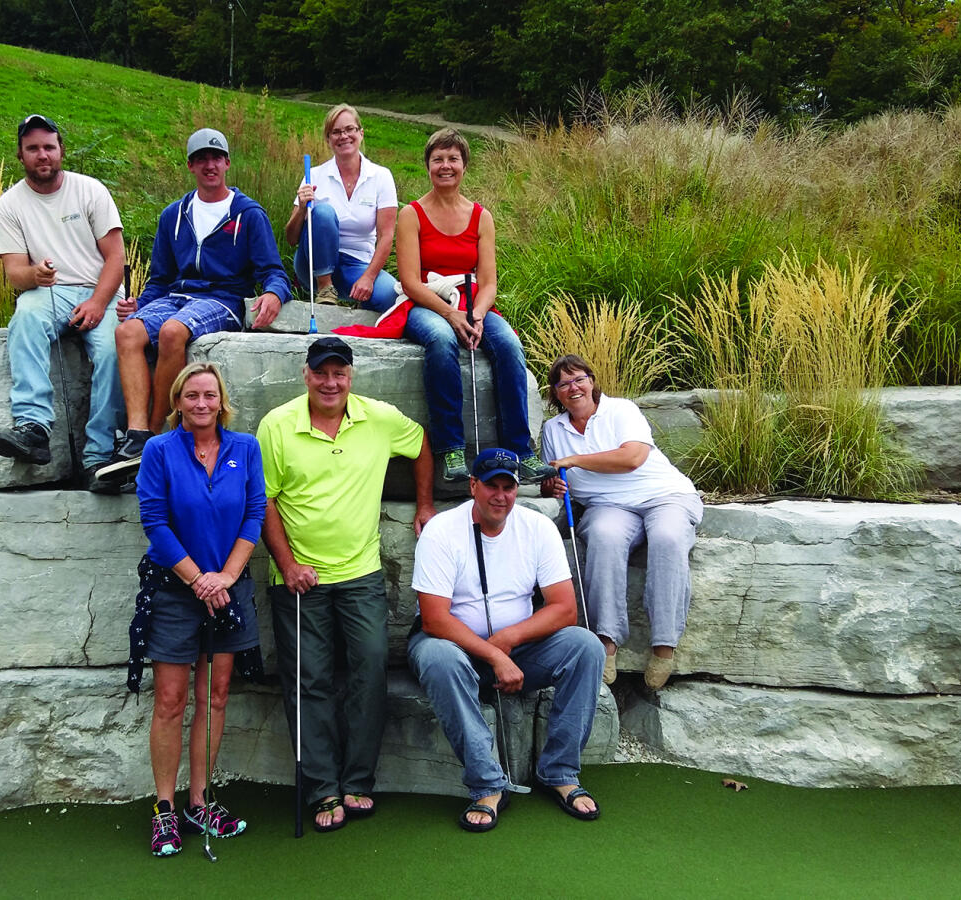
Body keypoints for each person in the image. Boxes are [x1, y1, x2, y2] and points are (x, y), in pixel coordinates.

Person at [257, 336, 435, 832]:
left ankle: (357, 781)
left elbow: (421, 442)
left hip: (361, 574)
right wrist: (288, 564)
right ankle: (322, 790)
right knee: (308, 681)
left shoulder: (377, 417)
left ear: (351, 376)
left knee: (370, 670)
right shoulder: (277, 425)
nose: (330, 382)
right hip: (298, 579)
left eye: (339, 373)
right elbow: (265, 501)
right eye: (321, 373)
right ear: (306, 374)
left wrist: (425, 504)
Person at [409, 447, 605, 832]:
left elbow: (565, 609)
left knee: (586, 647)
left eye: (508, 487)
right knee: (437, 658)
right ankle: (487, 785)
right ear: (473, 485)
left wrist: (509, 640)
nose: (500, 496)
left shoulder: (537, 528)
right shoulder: (441, 530)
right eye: (491, 486)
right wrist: (493, 655)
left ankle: (560, 771)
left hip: (518, 649)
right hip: (456, 649)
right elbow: (434, 619)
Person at [99, 128, 290, 486]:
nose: (210, 164)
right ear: (190, 165)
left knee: (173, 332)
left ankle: (156, 436)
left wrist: (275, 294)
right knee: (127, 332)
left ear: (227, 163)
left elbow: (274, 271)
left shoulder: (248, 214)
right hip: (177, 295)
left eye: (216, 157)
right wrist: (140, 304)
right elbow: (161, 278)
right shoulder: (174, 214)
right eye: (201, 158)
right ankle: (136, 434)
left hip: (224, 298)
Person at [131, 362, 265, 857]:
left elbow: (255, 512)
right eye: (192, 396)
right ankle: (164, 809)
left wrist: (225, 577)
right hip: (174, 591)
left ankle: (199, 800)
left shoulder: (245, 448)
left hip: (228, 588)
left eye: (209, 395)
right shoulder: (159, 450)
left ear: (221, 400)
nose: (202, 403)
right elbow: (155, 521)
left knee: (216, 696)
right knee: (170, 699)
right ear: (178, 401)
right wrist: (198, 581)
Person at [394, 128, 555, 486]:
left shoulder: (481, 216)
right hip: (428, 301)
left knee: (509, 344)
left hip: (472, 301)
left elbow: (489, 281)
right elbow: (410, 282)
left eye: (453, 159)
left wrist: (478, 315)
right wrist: (450, 314)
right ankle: (451, 447)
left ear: (464, 165)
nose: (445, 166)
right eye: (438, 159)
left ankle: (521, 452)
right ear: (428, 166)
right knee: (440, 339)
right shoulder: (411, 214)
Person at [540, 354, 702, 690]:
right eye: (563, 383)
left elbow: (632, 457)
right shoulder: (552, 430)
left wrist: (575, 460)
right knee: (603, 537)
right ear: (555, 393)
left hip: (663, 496)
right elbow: (552, 475)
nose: (574, 388)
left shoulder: (621, 409)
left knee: (669, 539)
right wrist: (552, 483)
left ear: (592, 380)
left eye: (579, 379)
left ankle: (663, 646)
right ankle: (607, 643)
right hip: (607, 506)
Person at [0, 113, 126, 471]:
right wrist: (35, 274)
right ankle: (33, 427)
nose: (42, 154)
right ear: (20, 155)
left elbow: (116, 258)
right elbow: (15, 274)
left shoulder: (90, 190)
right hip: (50, 292)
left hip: (102, 291)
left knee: (114, 351)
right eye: (32, 148)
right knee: (26, 318)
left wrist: (97, 303)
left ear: (61, 150)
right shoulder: (9, 205)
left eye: (49, 146)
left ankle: (99, 455)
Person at [283, 104, 401, 310]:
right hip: (312, 264)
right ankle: (325, 288)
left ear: (361, 133)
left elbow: (386, 236)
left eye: (349, 129)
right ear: (328, 140)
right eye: (336, 132)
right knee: (323, 212)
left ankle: (359, 307)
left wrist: (368, 278)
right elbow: (292, 239)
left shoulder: (381, 176)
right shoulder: (314, 175)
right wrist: (302, 207)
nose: (343, 136)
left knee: (391, 295)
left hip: (357, 264)